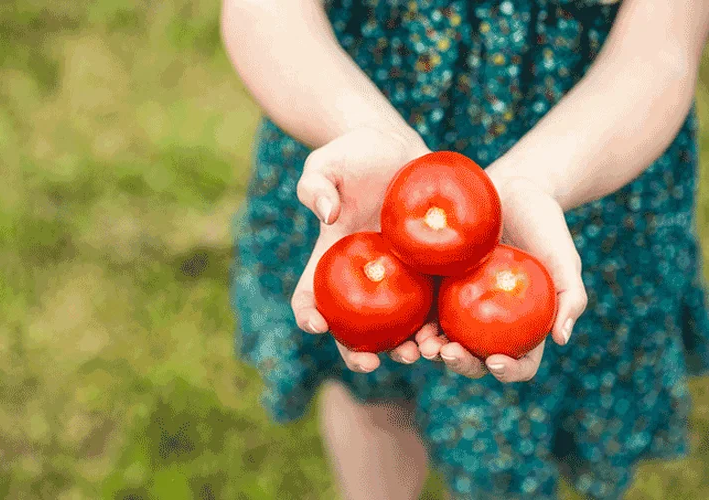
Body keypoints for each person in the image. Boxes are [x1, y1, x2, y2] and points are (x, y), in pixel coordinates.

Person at [222, 0, 709, 498]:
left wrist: (538, 180)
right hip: (355, 132)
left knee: (542, 414)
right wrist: (362, 127)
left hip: (587, 160)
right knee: (371, 395)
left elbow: (663, 49)